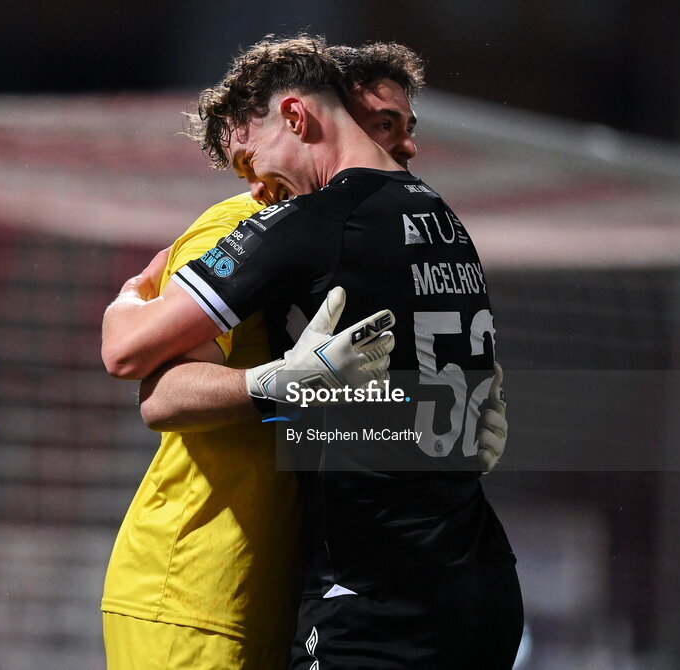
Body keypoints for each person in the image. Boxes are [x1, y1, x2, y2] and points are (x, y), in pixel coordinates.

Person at [100, 40, 507, 670]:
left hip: (373, 593)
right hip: (469, 575)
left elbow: (129, 356)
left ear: (296, 117)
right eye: (386, 123)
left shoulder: (316, 221)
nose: (257, 183)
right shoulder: (445, 221)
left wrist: (125, 302)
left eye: (250, 158)